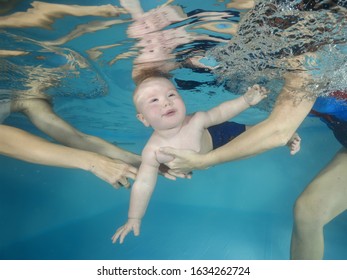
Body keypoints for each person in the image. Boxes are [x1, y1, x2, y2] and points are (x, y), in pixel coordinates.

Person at [157, 0, 347, 259]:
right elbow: (275, 124)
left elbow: (278, 131)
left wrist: (205, 160)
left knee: (308, 211)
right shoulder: (265, 43)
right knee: (309, 212)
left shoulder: (306, 47)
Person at [111, 76, 301, 244]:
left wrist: (245, 101)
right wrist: (134, 217)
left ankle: (284, 137)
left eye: (171, 95)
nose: (166, 103)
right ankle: (281, 138)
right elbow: (143, 183)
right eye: (154, 100)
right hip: (208, 154)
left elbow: (219, 113)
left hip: (220, 134)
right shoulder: (152, 151)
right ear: (143, 118)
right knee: (251, 146)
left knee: (255, 135)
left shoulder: (196, 120)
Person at [0, 124, 134, 188]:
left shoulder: (24, 96)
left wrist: (134, 161)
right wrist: (94, 162)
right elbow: (5, 141)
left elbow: (76, 138)